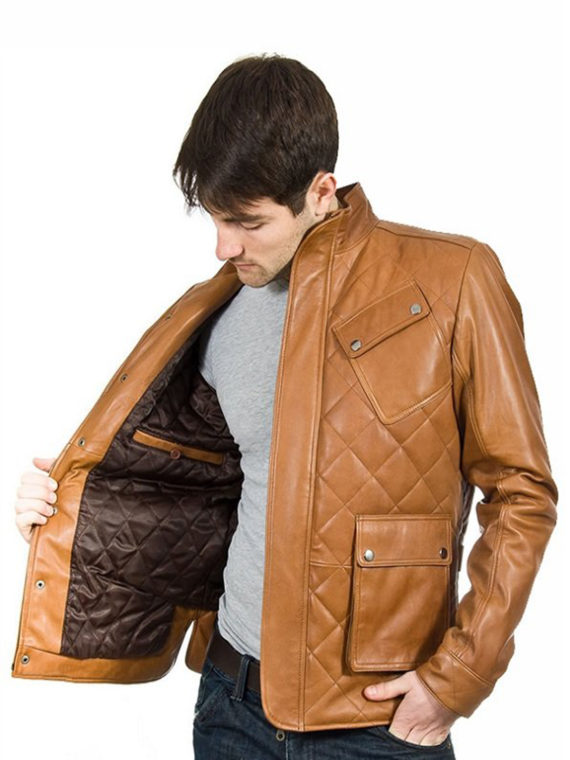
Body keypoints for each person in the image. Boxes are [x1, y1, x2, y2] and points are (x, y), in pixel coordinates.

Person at [12, 53, 558, 760]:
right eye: (214, 218)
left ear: (320, 191)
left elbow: (522, 492)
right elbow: (195, 495)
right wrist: (68, 509)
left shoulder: (454, 280)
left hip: (376, 721)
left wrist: (460, 676)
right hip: (232, 702)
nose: (224, 245)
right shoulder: (216, 314)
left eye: (247, 222)